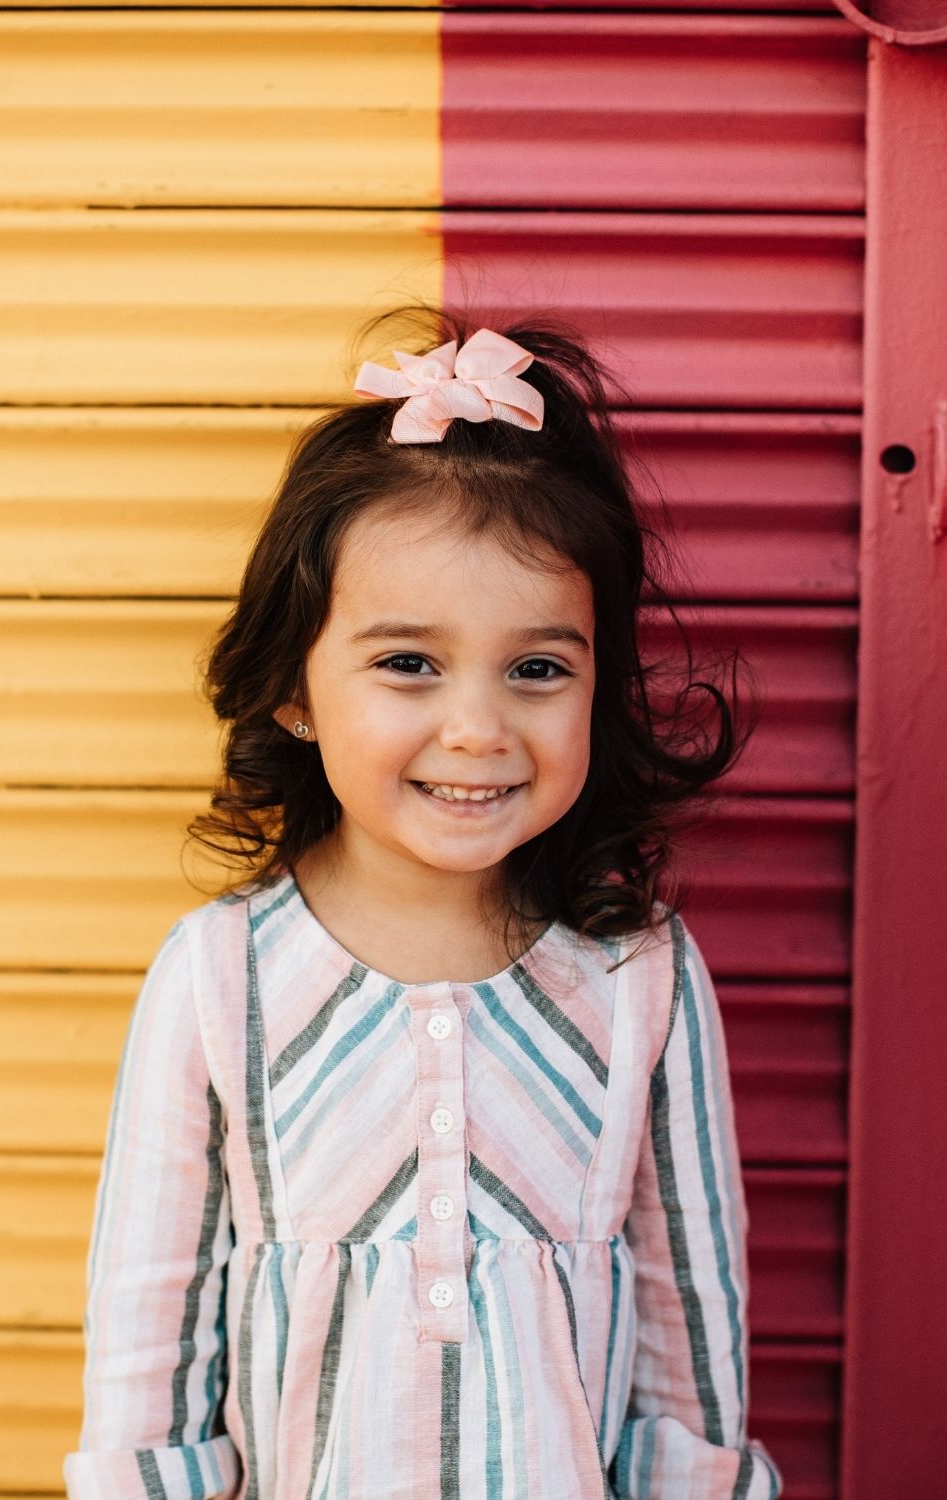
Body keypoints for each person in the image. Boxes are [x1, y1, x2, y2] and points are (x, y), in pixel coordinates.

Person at [62, 304, 783, 1500]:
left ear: (595, 693)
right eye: (408, 663)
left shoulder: (639, 977)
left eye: (537, 669)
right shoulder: (219, 979)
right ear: (293, 686)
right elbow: (148, 1342)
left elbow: (689, 1332)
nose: (477, 729)